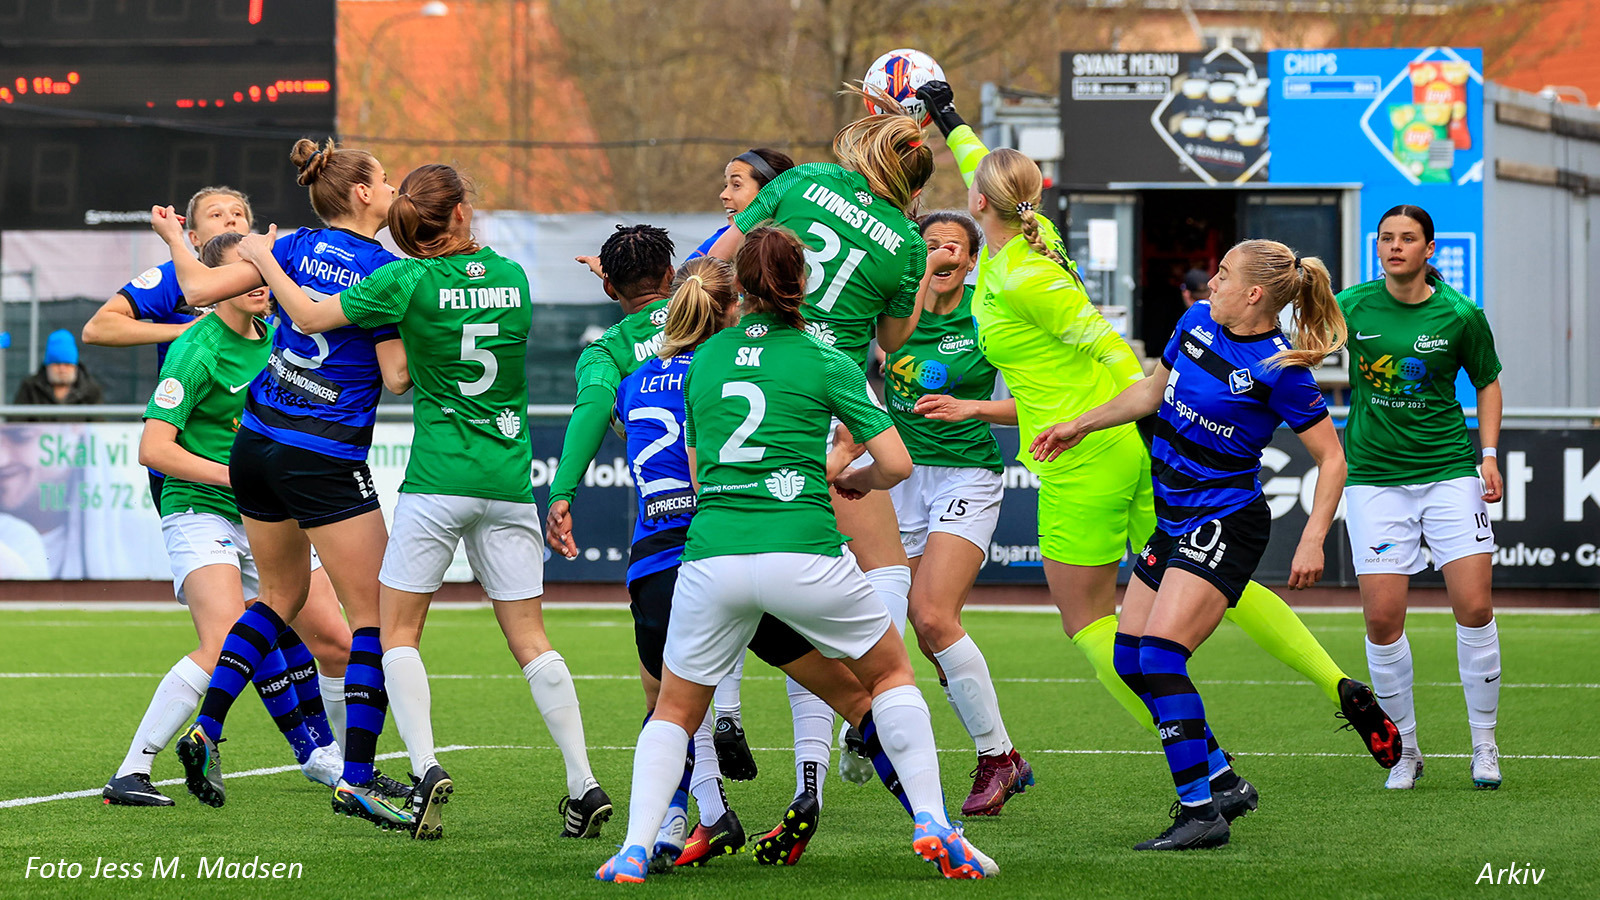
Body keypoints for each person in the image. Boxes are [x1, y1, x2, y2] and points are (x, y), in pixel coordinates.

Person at [915, 80, 1401, 768]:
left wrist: (1124, 406)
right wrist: (948, 119)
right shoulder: (1030, 235)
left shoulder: (1025, 276)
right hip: (1128, 448)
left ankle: (1204, 765)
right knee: (1213, 580)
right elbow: (982, 169)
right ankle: (1340, 684)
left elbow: (1107, 344)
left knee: (1091, 625)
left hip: (1082, 456)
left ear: (976, 207)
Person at [596, 227, 989, 883]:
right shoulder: (824, 357)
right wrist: (849, 474)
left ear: (739, 289)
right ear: (801, 284)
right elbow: (894, 462)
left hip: (713, 557)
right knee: (889, 675)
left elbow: (696, 472)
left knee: (673, 709)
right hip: (802, 551)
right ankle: (933, 823)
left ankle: (636, 848)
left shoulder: (706, 361)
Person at [240, 162, 611, 839]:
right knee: (532, 641)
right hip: (505, 481)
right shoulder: (513, 278)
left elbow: (313, 315)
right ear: (462, 214)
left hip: (437, 481)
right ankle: (583, 784)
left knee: (396, 629)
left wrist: (265, 257)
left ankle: (425, 767)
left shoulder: (406, 281)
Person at [1033, 238, 1348, 850]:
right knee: (1130, 660)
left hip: (1225, 520)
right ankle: (1223, 780)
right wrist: (1080, 424)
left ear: (1254, 294)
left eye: (1223, 275)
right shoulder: (1197, 321)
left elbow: (1331, 459)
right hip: (1175, 516)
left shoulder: (1281, 369)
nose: (1211, 284)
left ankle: (1200, 813)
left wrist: (1314, 540)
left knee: (1160, 656)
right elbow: (1152, 393)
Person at [149, 138, 415, 827]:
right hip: (321, 454)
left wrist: (179, 240)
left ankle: (207, 726)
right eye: (384, 180)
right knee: (373, 619)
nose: (391, 190)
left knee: (277, 596)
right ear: (359, 194)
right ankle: (356, 777)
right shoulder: (386, 273)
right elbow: (397, 378)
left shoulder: (291, 246)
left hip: (256, 444)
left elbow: (198, 289)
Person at [705, 97, 935, 789]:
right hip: (830, 391)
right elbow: (893, 342)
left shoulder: (803, 182)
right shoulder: (907, 240)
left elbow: (719, 260)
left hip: (751, 369)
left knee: (718, 556)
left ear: (862, 147)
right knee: (883, 566)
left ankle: (723, 724)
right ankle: (866, 715)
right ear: (914, 189)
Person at [83, 186, 353, 760]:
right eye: (246, 270)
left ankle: (342, 763)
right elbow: (153, 446)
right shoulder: (195, 341)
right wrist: (241, 476)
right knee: (232, 640)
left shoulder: (284, 331)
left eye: (263, 267)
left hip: (268, 509)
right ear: (208, 265)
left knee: (331, 641)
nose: (259, 280)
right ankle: (137, 768)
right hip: (201, 496)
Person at [1340, 204, 1505, 791]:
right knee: (1382, 621)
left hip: (1448, 472)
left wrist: (1487, 455)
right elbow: (1305, 346)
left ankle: (1484, 746)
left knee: (1475, 608)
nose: (1395, 246)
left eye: (1408, 238)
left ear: (1429, 249)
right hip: (1374, 479)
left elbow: (1487, 381)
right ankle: (1405, 750)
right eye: (1386, 238)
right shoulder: (1352, 305)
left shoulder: (1461, 315)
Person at [883, 211, 1030, 815]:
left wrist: (972, 409)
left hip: (966, 475)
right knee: (920, 630)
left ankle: (996, 757)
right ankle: (1003, 757)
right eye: (931, 246)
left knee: (933, 616)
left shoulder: (988, 317)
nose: (943, 254)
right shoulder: (886, 316)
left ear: (972, 262)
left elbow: (1035, 404)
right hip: (898, 479)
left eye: (955, 247)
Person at [687, 148, 797, 261]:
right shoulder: (720, 240)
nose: (723, 195)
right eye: (726, 186)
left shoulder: (801, 241)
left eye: (736, 185)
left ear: (770, 192)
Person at [13, 331, 104, 406]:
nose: (62, 369)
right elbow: (16, 423)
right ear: (47, 365)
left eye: (67, 364)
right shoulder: (30, 388)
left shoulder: (91, 391)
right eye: (57, 363)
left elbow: (98, 425)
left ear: (75, 366)